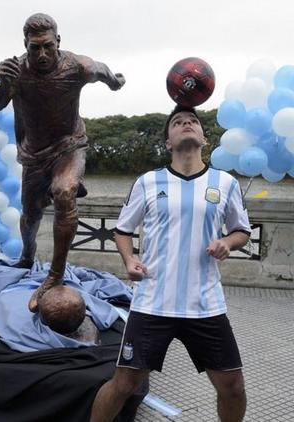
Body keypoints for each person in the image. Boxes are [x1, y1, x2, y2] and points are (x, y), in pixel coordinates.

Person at [90, 105, 249, 422]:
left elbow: (241, 231)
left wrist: (226, 243)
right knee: (124, 384)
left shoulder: (226, 183)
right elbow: (122, 230)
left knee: (232, 387)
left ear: (204, 137)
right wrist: (129, 258)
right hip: (153, 303)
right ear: (167, 142)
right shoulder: (148, 181)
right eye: (178, 122)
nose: (186, 123)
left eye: (193, 121)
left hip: (205, 304)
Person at [0, 13, 126, 312]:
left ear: (58, 42)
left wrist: (115, 82)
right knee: (30, 216)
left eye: (48, 46)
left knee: (64, 192)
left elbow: (103, 72)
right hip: (34, 154)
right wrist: (4, 83)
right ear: (25, 45)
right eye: (34, 48)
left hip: (69, 145)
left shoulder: (77, 66)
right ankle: (27, 255)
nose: (42, 54)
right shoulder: (16, 71)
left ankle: (55, 274)